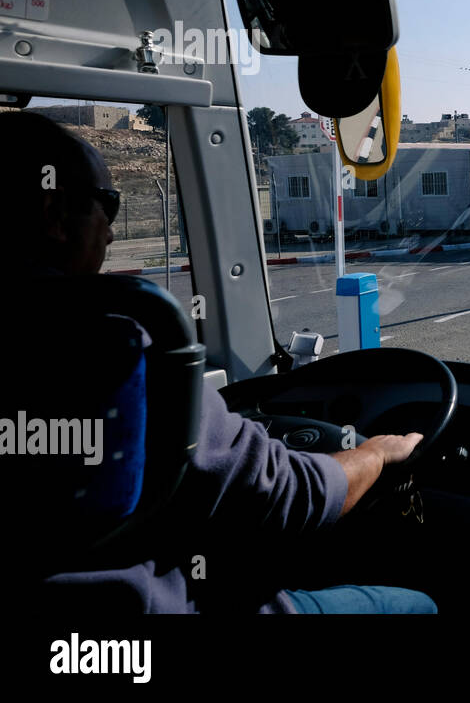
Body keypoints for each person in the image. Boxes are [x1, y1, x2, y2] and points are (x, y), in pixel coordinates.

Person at [2, 110, 434, 613]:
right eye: (109, 205)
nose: (114, 234)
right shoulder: (112, 349)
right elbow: (285, 498)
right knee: (416, 605)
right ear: (56, 217)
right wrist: (377, 455)